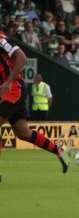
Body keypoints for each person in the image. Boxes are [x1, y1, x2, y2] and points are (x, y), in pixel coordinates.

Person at [0, 31, 69, 173]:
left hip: (12, 89)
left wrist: (8, 82)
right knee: (22, 132)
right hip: (6, 91)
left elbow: (22, 57)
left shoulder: (1, 40)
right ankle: (60, 151)